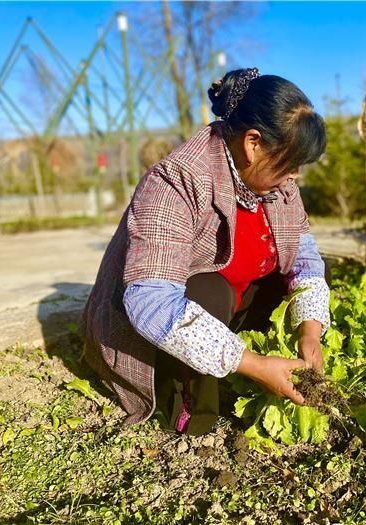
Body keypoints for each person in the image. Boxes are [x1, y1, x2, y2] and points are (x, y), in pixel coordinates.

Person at [80, 68, 330, 435]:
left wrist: (310, 331)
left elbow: (304, 255)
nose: (294, 176)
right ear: (253, 143)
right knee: (207, 291)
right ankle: (192, 410)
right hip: (160, 329)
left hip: (231, 305)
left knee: (315, 274)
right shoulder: (175, 183)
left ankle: (240, 362)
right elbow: (150, 300)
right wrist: (255, 364)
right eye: (290, 164)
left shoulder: (275, 184)